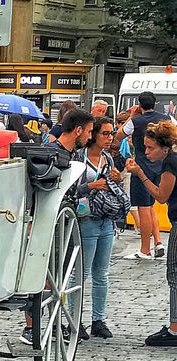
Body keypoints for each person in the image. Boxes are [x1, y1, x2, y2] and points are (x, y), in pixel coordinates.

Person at [22, 109, 95, 345]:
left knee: (58, 276)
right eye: (89, 132)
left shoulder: (72, 154)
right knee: (43, 274)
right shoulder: (51, 153)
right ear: (78, 130)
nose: (90, 137)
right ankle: (31, 326)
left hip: (66, 221)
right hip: (50, 222)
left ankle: (54, 323)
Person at [126, 120, 177, 346]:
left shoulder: (171, 163)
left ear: (164, 147)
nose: (146, 152)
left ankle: (175, 329)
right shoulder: (171, 159)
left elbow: (161, 196)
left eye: (150, 148)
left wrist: (140, 173)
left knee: (174, 273)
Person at [74, 116, 126, 340]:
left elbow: (114, 187)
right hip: (86, 219)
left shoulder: (108, 158)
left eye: (111, 133)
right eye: (105, 133)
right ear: (93, 134)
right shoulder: (79, 157)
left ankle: (98, 320)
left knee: (102, 274)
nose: (110, 137)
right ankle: (74, 319)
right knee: (81, 273)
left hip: (106, 219)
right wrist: (92, 185)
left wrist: (118, 179)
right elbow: (72, 190)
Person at [117, 91, 171, 260]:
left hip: (142, 167)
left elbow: (118, 136)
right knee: (151, 207)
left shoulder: (136, 121)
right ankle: (158, 242)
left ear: (139, 105)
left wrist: (131, 116)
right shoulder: (166, 119)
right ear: (155, 103)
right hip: (161, 167)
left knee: (143, 208)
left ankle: (145, 249)